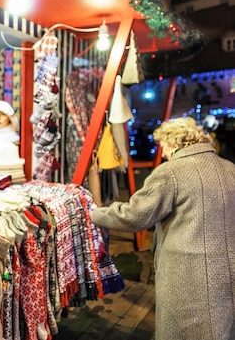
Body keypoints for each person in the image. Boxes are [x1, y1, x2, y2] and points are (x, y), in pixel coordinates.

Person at [90, 117, 235, 340]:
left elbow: (134, 216)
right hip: (226, 272)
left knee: (185, 330)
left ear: (174, 141)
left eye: (163, 146)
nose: (164, 152)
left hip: (187, 275)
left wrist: (95, 213)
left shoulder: (172, 172)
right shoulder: (229, 169)